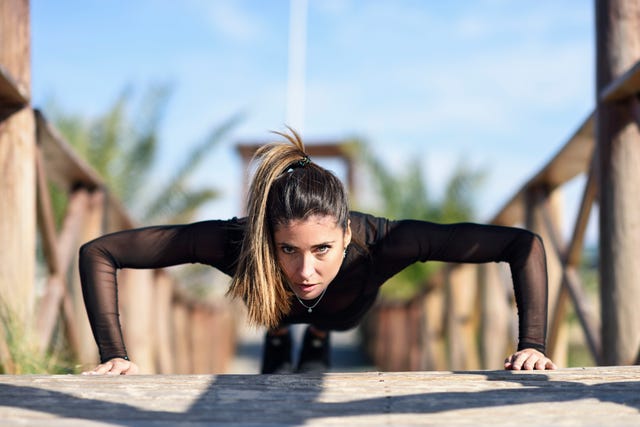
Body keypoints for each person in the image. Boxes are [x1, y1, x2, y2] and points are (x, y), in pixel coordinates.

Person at [79, 128, 557, 375]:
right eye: (287, 249)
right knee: (280, 306)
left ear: (347, 234)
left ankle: (317, 338)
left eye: (323, 249)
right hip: (275, 309)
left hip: (342, 312)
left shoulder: (387, 241)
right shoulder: (235, 240)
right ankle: (283, 333)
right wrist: (114, 353)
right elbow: (100, 252)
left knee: (324, 318)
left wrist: (532, 344)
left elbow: (523, 245)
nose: (305, 269)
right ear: (267, 236)